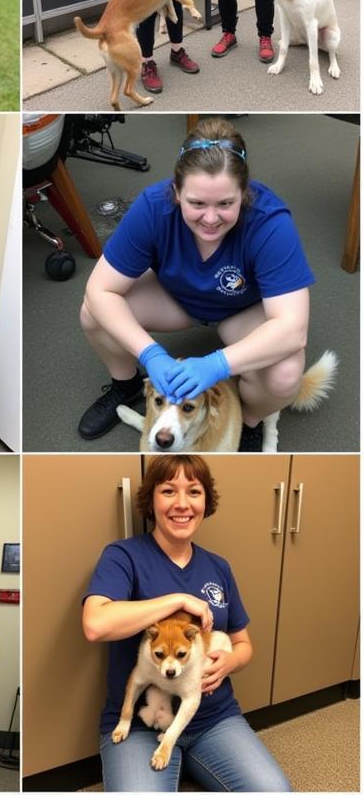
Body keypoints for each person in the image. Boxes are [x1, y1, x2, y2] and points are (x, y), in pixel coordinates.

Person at [78, 117, 315, 452]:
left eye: (225, 203)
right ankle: (126, 384)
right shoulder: (153, 208)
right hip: (176, 299)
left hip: (242, 312)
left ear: (244, 194)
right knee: (93, 313)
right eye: (197, 203)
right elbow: (100, 290)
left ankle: (249, 421)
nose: (210, 218)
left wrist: (216, 364)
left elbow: (292, 328)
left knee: (284, 375)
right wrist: (152, 354)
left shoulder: (270, 223)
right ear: (176, 193)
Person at [82, 455, 292, 792]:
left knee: (273, 790)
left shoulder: (218, 567)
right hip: (141, 724)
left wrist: (231, 662)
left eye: (194, 492)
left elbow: (244, 644)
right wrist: (177, 600)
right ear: (150, 500)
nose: (182, 504)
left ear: (206, 501)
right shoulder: (123, 557)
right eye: (168, 491)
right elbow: (95, 624)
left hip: (213, 718)